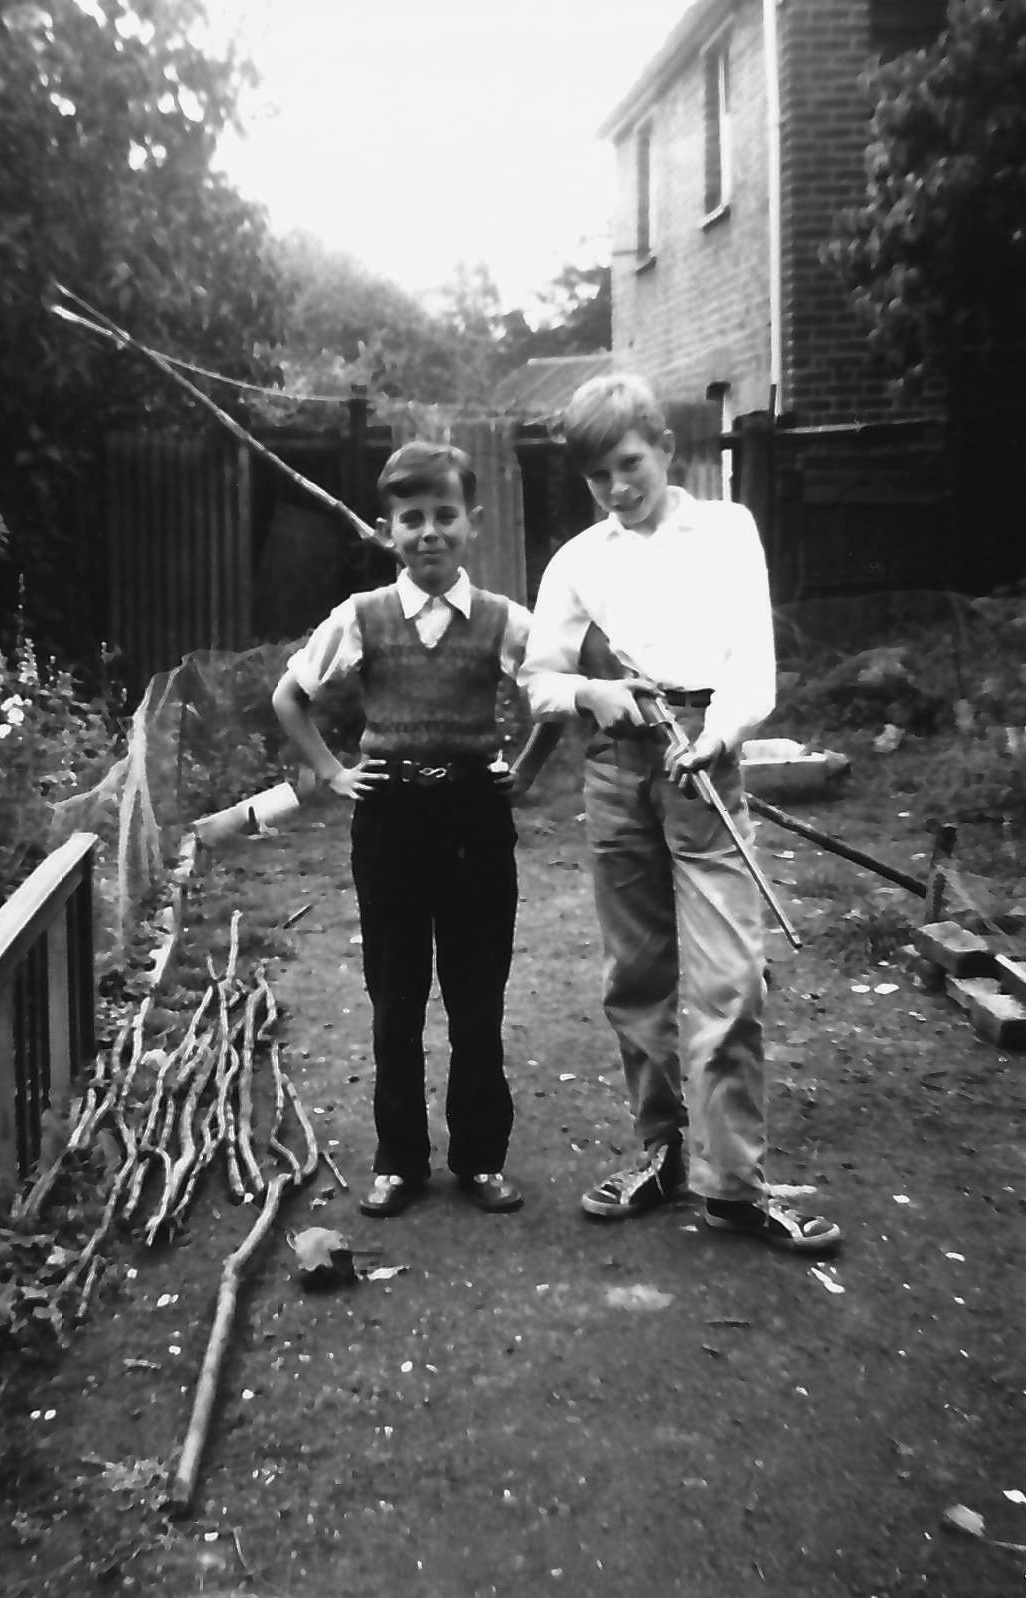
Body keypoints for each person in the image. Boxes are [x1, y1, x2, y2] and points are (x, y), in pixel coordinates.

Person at [520, 374, 840, 1253]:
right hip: (616, 768)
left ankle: (733, 1185)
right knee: (638, 976)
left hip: (703, 754)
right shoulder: (578, 560)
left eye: (627, 465)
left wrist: (720, 732)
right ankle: (660, 1156)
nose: (616, 490)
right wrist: (592, 691)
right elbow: (539, 678)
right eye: (596, 478)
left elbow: (752, 659)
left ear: (663, 447)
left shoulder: (727, 531)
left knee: (728, 978)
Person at [272, 441, 559, 1219]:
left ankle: (479, 1158)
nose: (428, 532)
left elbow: (557, 693)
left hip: (473, 817)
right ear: (386, 530)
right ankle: (398, 1159)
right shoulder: (362, 616)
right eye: (410, 519)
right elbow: (289, 695)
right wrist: (333, 774)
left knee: (476, 996)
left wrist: (527, 768)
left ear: (470, 523)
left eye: (443, 516)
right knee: (394, 996)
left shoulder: (503, 619)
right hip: (391, 820)